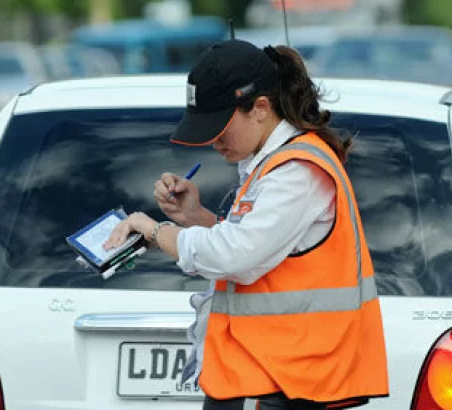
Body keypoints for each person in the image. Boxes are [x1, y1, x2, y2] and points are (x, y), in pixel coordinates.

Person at [104, 40, 390, 410]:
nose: (213, 142)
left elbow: (236, 257)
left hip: (286, 382)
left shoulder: (296, 172)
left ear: (260, 108)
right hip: (265, 375)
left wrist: (155, 231)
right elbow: (261, 251)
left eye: (221, 128)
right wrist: (196, 219)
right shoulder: (273, 164)